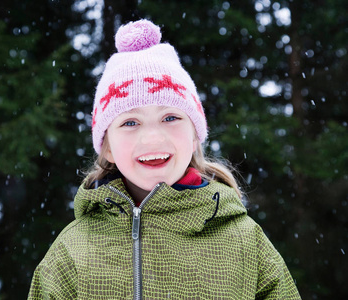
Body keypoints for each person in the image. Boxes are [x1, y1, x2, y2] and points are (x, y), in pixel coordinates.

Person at [28, 19, 301, 299]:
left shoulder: (243, 241)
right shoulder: (73, 250)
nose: (152, 138)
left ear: (195, 135)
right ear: (107, 148)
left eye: (170, 117)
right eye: (130, 122)